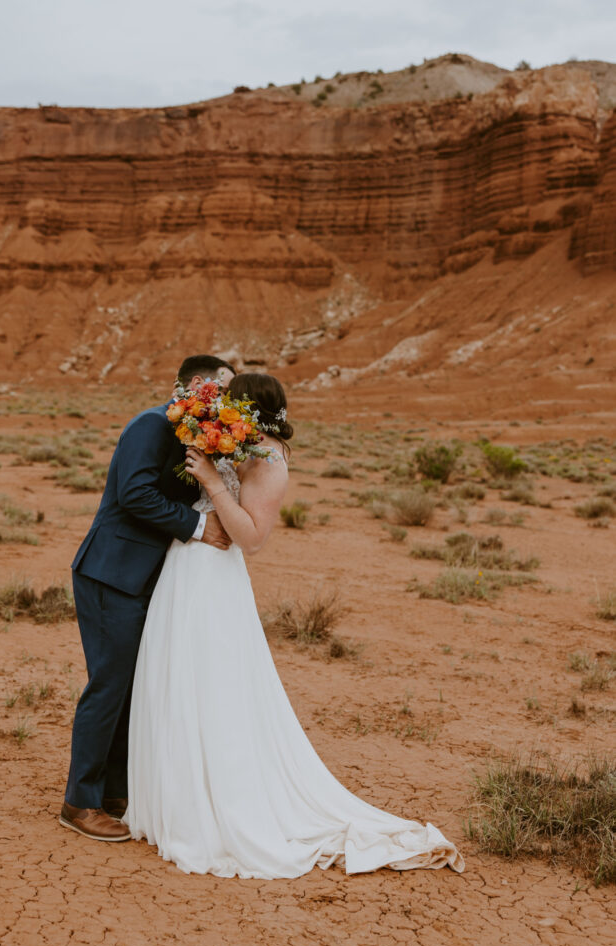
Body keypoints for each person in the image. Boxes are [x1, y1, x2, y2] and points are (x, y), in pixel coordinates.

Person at [125, 373, 464, 878]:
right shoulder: (243, 446)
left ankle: (214, 803)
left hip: (214, 577)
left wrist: (215, 484)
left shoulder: (269, 460)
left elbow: (253, 537)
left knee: (213, 686)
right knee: (180, 679)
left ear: (248, 409)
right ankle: (175, 796)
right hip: (188, 572)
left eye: (229, 404)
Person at [60, 354, 236, 841]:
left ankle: (115, 792)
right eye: (225, 390)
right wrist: (200, 527)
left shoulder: (193, 437)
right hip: (110, 574)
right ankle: (79, 802)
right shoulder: (151, 425)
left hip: (146, 579)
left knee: (134, 688)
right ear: (198, 385)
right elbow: (134, 494)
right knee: (109, 685)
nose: (230, 402)